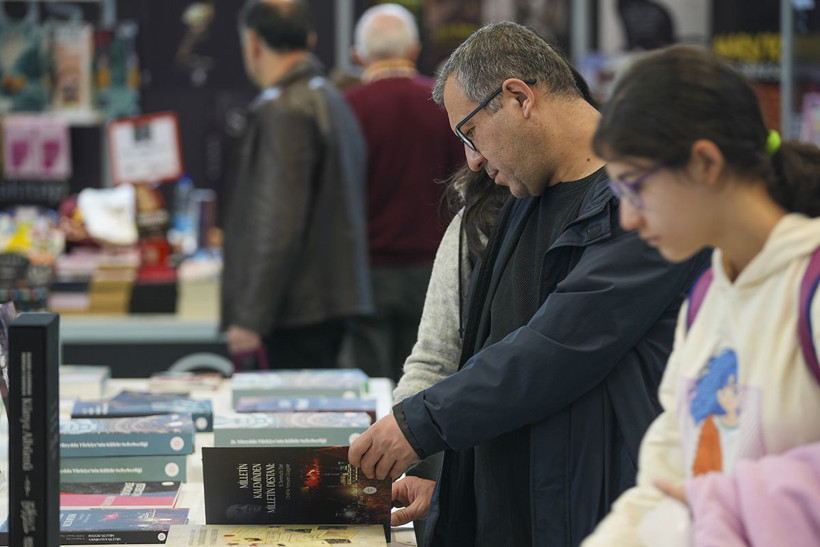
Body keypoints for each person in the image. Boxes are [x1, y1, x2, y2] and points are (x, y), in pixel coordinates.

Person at [349, 22, 709, 546]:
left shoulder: (647, 205)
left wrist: (417, 424)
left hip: (591, 520)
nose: (471, 159)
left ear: (518, 97)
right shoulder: (524, 199)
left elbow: (556, 347)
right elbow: (479, 353)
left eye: (470, 133)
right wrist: (445, 475)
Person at [582, 45, 820, 545]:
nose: (627, 218)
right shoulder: (709, 293)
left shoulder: (809, 288)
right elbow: (669, 471)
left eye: (634, 188)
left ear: (705, 163)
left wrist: (726, 502)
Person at [221, 0, 372, 369]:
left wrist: (250, 315)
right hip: (327, 303)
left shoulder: (283, 109)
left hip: (293, 312)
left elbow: (276, 221)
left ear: (253, 43)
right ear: (310, 38)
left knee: (287, 426)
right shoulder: (332, 98)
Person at [343, 3, 464, 382]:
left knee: (369, 389)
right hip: (433, 267)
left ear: (358, 55)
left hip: (366, 273)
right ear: (413, 50)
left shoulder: (348, 109)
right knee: (425, 380)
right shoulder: (444, 104)